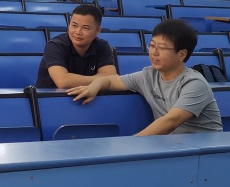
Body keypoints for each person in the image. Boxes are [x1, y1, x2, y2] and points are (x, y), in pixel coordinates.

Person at [68, 19, 222, 135]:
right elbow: (110, 80)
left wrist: (133, 144)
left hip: (205, 151)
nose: (154, 53)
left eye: (162, 48)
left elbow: (171, 121)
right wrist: (96, 85)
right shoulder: (149, 75)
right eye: (152, 45)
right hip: (173, 146)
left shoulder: (194, 83)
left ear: (181, 54)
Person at [35, 4, 117, 88]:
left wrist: (106, 80)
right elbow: (63, 82)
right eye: (74, 25)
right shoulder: (55, 45)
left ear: (97, 31)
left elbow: (112, 77)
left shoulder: (102, 46)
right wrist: (102, 80)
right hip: (52, 95)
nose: (78, 32)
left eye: (85, 28)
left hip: (88, 95)